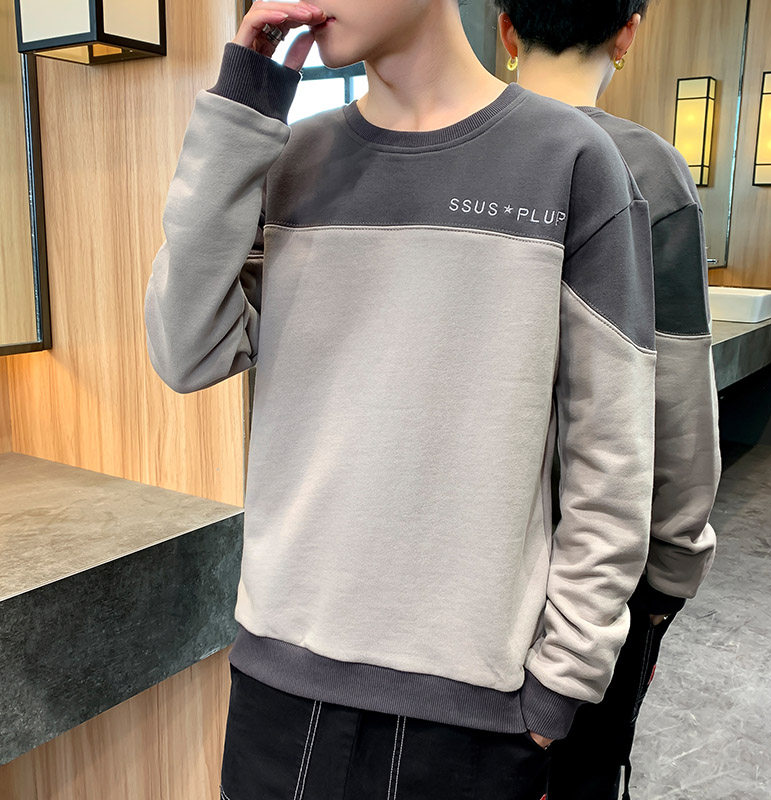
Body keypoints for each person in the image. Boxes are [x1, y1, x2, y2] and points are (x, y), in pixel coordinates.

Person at [144, 1, 658, 797]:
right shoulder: (289, 158)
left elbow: (612, 458)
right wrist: (241, 105)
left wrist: (563, 680)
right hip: (278, 688)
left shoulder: (569, 159)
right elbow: (186, 350)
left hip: (477, 713)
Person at [497, 2, 721, 797]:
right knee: (582, 773)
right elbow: (678, 400)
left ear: (505, 29)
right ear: (628, 32)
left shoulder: (453, 151)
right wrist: (672, 568)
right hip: (596, 574)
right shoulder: (649, 171)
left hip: (467, 577)